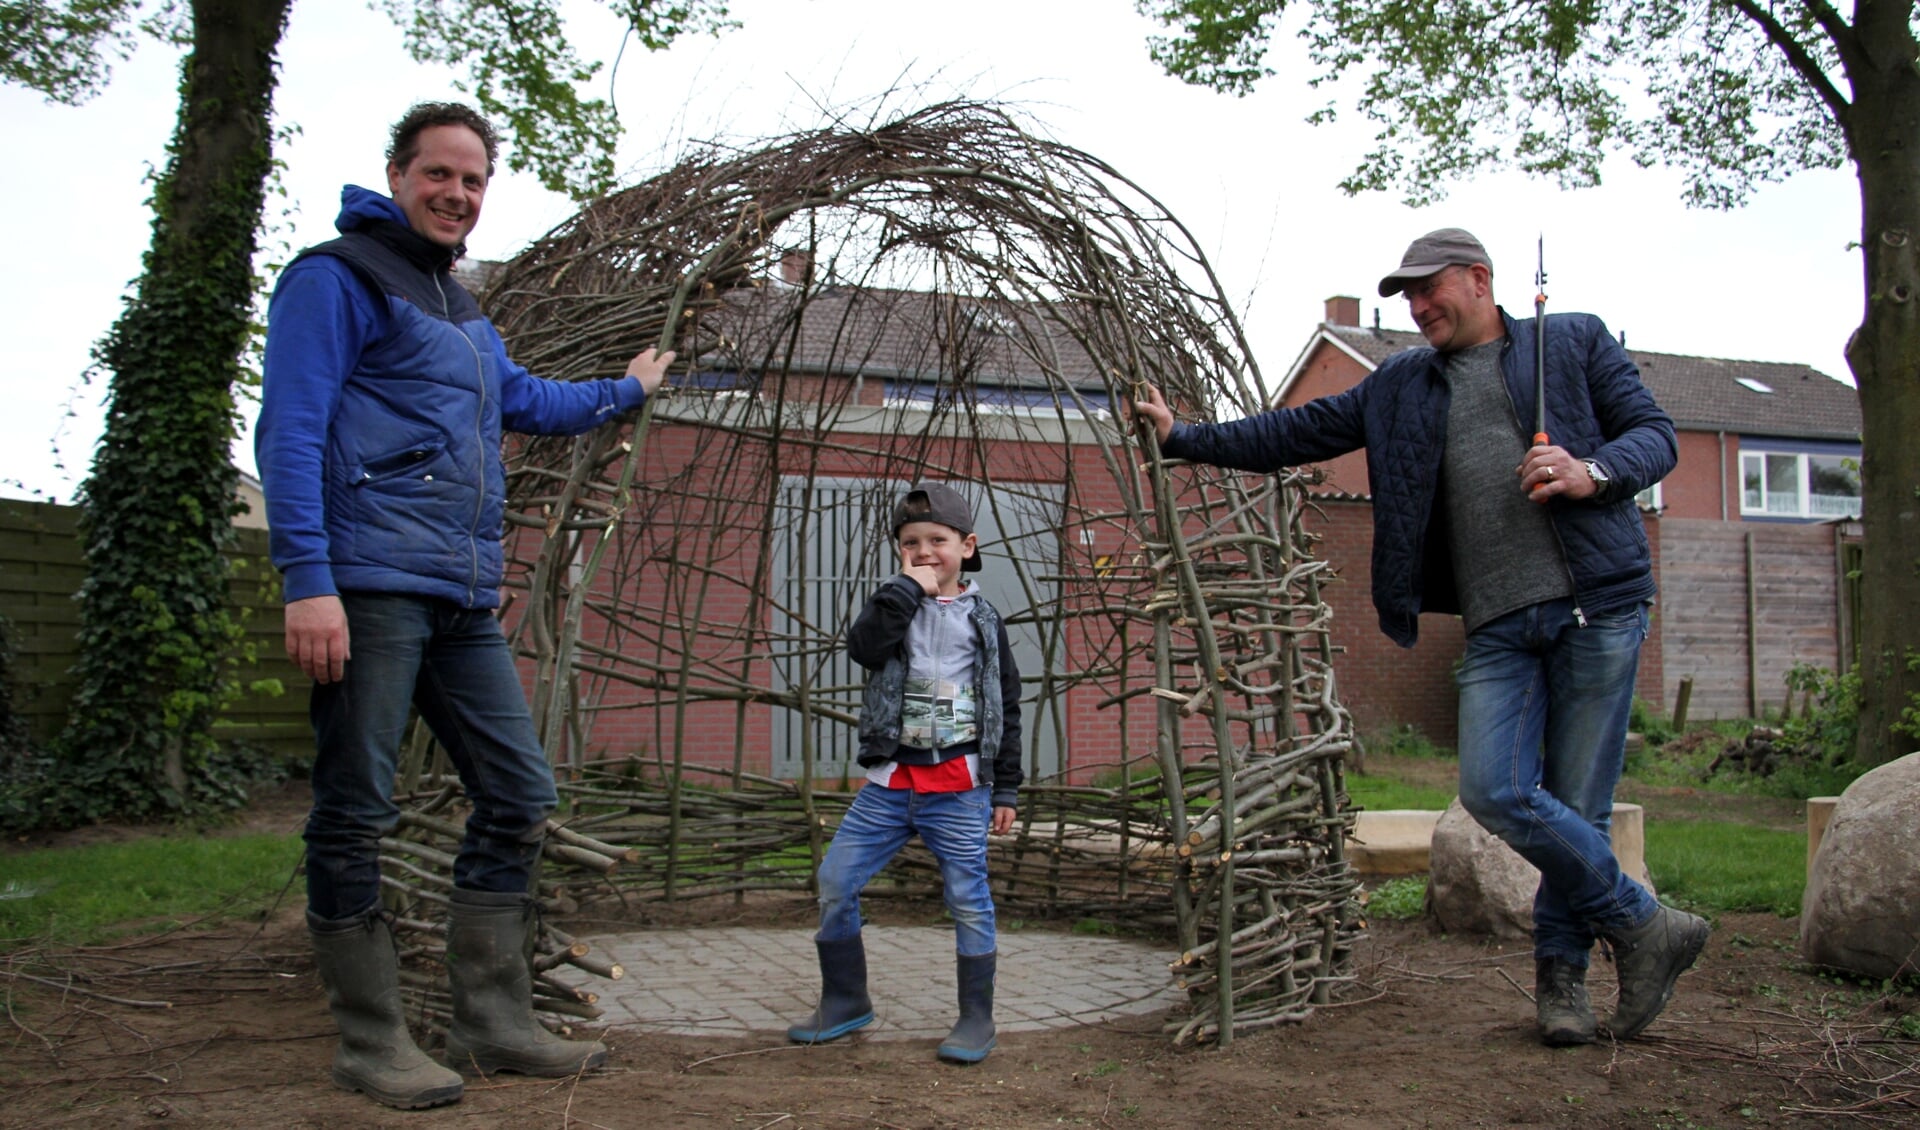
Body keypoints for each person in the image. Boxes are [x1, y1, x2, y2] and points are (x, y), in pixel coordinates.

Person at [1128, 228, 1709, 1047]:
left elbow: (1656, 437)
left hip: (1596, 606)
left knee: (1577, 806)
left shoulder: (1571, 342)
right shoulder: (1403, 382)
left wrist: (1591, 472)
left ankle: (1563, 983)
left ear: (1479, 279)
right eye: (1406, 295)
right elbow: (1299, 432)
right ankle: (1648, 924)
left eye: (1428, 289)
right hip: (1498, 622)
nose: (1417, 306)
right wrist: (1185, 435)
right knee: (1495, 790)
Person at [256, 102, 675, 1110]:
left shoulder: (462, 312)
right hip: (369, 582)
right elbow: (291, 426)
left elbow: (527, 400)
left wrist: (625, 388)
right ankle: (370, 1036)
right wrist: (307, 579)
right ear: (397, 175)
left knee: (520, 793)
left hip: (457, 596)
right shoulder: (338, 278)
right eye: (439, 174)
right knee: (356, 804)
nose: (457, 194)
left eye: (475, 180)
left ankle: (493, 1017)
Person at [786, 483, 1024, 1064]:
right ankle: (846, 999)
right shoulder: (892, 605)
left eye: (937, 541)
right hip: (891, 786)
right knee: (836, 880)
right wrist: (903, 591)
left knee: (969, 899)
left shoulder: (985, 621)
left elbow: (1006, 705)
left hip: (961, 790)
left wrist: (1008, 787)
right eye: (910, 542)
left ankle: (976, 1016)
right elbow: (865, 649)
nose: (924, 552)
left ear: (966, 546)